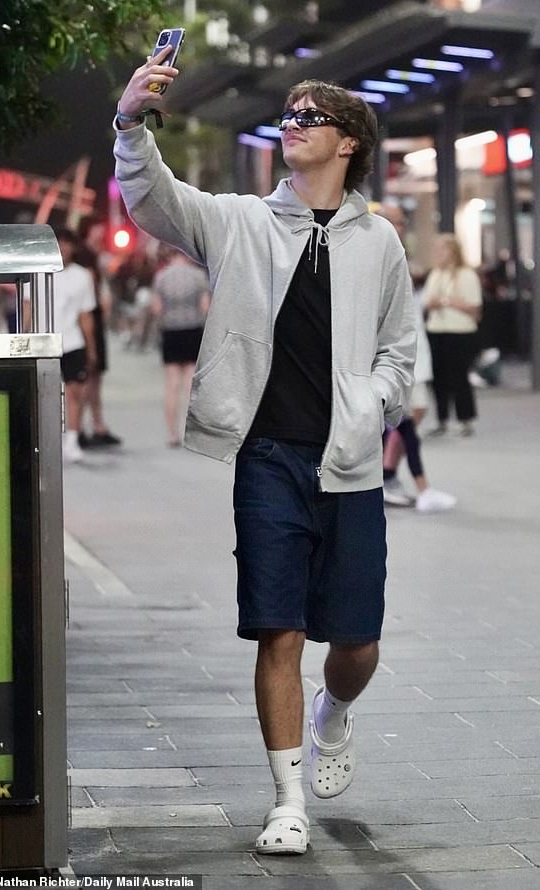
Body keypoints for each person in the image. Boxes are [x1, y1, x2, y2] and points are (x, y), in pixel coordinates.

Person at [114, 52, 416, 857]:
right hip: (268, 457)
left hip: (347, 461)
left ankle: (334, 713)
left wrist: (373, 406)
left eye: (310, 116)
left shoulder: (379, 241)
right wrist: (130, 121)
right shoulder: (241, 221)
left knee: (356, 644)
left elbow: (400, 349)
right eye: (288, 113)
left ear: (348, 141)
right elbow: (154, 200)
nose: (293, 123)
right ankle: (286, 800)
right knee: (276, 629)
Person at [375, 205, 456, 513]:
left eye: (403, 222)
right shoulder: (379, 256)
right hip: (398, 356)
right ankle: (403, 482)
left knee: (408, 417)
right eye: (398, 222)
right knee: (404, 418)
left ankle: (390, 476)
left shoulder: (396, 255)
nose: (403, 227)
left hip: (411, 353)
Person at [25, 229, 97, 464]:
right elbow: (27, 308)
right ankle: (42, 441)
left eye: (67, 244)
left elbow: (86, 315)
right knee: (42, 393)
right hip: (42, 342)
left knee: (75, 391)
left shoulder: (82, 276)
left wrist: (91, 348)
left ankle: (73, 440)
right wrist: (23, 338)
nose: (63, 248)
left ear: (74, 248)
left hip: (72, 340)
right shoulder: (35, 271)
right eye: (59, 244)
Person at [423, 233, 482, 437]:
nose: (438, 254)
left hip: (460, 331)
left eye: (442, 249)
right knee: (438, 377)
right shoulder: (436, 275)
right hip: (437, 329)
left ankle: (465, 418)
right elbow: (427, 302)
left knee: (459, 376)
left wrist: (449, 303)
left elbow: (474, 308)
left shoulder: (467, 275)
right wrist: (441, 302)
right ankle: (441, 418)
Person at [150, 248, 211, 446]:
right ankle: (190, 433)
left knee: (171, 384)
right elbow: (205, 307)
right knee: (189, 385)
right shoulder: (198, 276)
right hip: (192, 330)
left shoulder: (162, 276)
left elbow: (156, 308)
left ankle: (171, 434)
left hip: (171, 332)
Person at [74, 217, 123, 449]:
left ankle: (95, 424)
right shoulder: (83, 255)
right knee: (87, 373)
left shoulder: (94, 255)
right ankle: (81, 426)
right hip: (88, 316)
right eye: (97, 228)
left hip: (94, 316)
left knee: (94, 375)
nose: (100, 232)